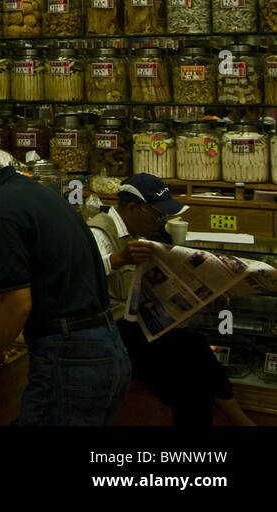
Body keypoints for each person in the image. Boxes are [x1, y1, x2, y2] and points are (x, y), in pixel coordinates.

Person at [0, 140, 130, 425]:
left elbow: (18, 304)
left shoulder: (0, 214)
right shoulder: (28, 191)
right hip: (105, 348)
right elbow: (4, 296)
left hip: (69, 358)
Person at [87, 173, 255, 426]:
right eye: (156, 215)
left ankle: (239, 421)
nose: (159, 222)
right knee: (188, 378)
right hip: (113, 331)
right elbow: (81, 277)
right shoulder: (98, 231)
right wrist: (117, 260)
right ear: (133, 208)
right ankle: (240, 422)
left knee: (195, 349)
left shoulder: (143, 233)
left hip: (141, 324)